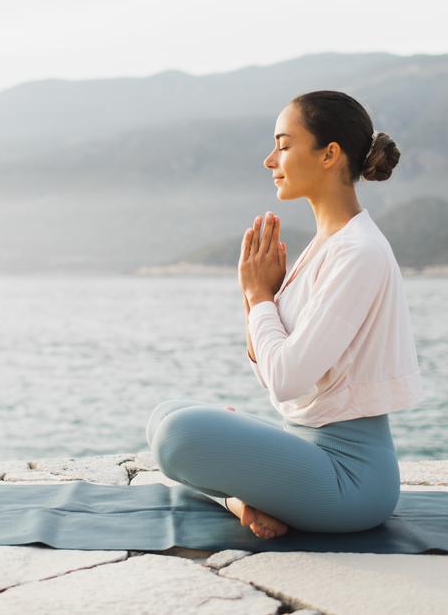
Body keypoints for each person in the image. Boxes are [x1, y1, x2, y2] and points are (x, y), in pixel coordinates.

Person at [145, 90, 428, 539]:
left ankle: (239, 497)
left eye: (283, 144)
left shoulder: (359, 253)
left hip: (351, 482)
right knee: (166, 414)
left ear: (329, 155)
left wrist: (259, 297)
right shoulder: (325, 247)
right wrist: (254, 298)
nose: (269, 159)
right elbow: (273, 372)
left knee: (180, 433)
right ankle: (242, 500)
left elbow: (286, 378)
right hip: (304, 444)